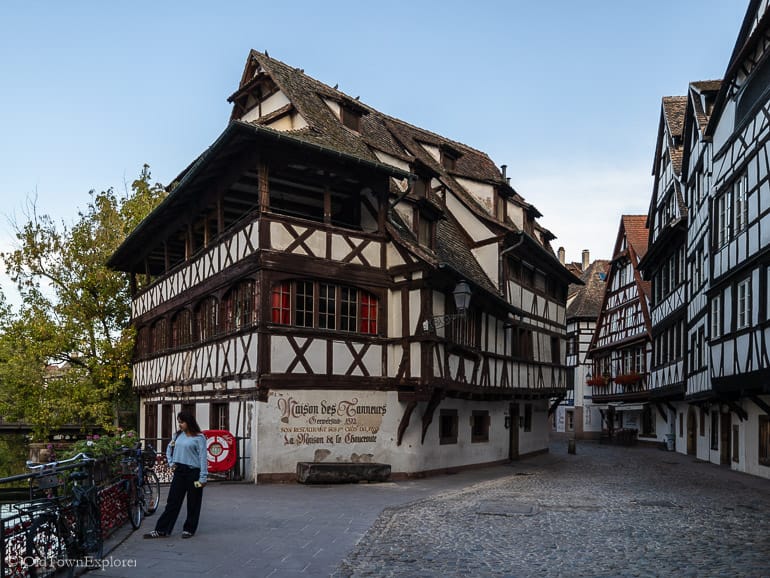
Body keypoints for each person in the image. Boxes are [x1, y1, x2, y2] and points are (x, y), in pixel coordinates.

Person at [144, 411, 208, 539]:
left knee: (193, 502)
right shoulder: (178, 436)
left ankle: (189, 529)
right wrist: (171, 462)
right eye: (179, 422)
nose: (180, 425)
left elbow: (202, 458)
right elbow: (169, 448)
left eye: (182, 422)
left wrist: (203, 477)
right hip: (179, 471)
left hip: (193, 472)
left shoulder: (199, 438)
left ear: (189, 423)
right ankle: (161, 530)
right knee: (172, 501)